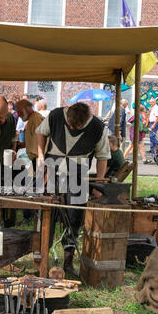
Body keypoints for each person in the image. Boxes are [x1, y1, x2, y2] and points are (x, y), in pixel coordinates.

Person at [36, 102, 110, 278]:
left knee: (74, 219)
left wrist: (99, 183)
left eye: (75, 126)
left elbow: (102, 157)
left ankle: (68, 263)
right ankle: (41, 260)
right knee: (46, 216)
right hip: (51, 172)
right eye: (69, 123)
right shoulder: (55, 115)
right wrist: (40, 156)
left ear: (85, 121)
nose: (71, 127)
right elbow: (40, 132)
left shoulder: (98, 127)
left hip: (78, 176)